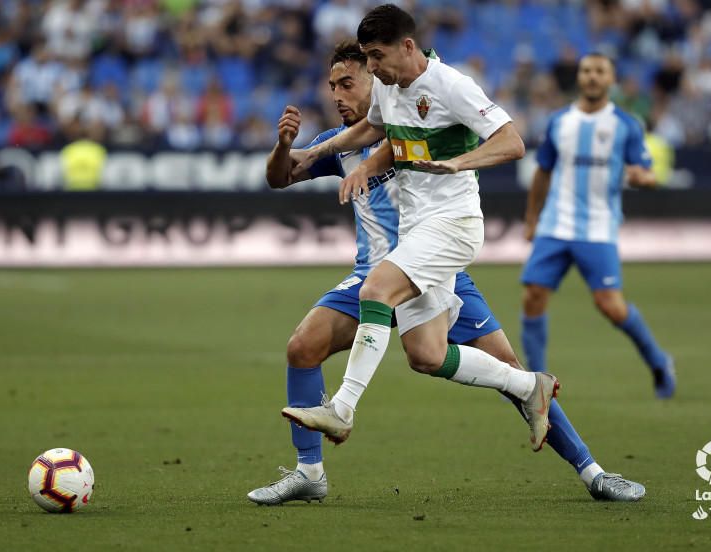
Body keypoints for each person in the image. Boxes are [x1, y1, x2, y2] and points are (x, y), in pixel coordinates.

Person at [248, 19, 644, 505]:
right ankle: (310, 472)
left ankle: (593, 472)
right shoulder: (349, 140)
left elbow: (491, 140)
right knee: (310, 347)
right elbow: (284, 176)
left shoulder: (428, 103)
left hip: (438, 263)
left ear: (378, 76)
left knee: (506, 367)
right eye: (333, 85)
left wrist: (457, 162)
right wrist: (289, 146)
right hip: (378, 269)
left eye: (349, 81)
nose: (337, 93)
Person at [520, 53, 676, 399]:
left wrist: (643, 177)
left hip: (598, 228)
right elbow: (542, 172)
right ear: (579, 77)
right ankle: (534, 383)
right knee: (532, 296)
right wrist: (532, 218)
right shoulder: (559, 121)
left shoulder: (626, 125)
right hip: (555, 224)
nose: (592, 77)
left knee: (611, 305)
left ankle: (659, 361)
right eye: (586, 71)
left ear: (611, 79)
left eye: (599, 71)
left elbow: (648, 173)